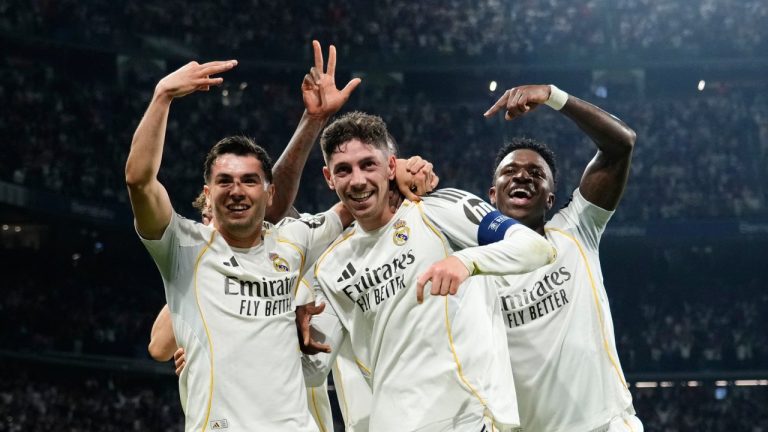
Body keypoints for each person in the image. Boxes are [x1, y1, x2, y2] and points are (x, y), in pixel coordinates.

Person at [125, 39, 364, 431]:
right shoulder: (185, 249)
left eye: (250, 181)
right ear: (207, 193)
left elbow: (357, 197)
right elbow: (139, 181)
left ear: (267, 192)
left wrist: (399, 167)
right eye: (225, 181)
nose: (237, 190)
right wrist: (162, 96)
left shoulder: (293, 240)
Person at [300, 111, 557, 431]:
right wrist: (289, 326)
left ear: (391, 166)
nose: (358, 180)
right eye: (344, 170)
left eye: (369, 164)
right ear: (329, 178)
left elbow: (536, 248)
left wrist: (466, 262)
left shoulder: (441, 209)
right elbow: (313, 368)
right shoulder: (330, 266)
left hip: (467, 419)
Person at [482, 84, 642, 431]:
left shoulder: (575, 230)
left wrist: (554, 96)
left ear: (551, 200)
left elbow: (621, 144)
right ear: (492, 196)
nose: (523, 175)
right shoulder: (473, 268)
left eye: (537, 174)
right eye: (509, 172)